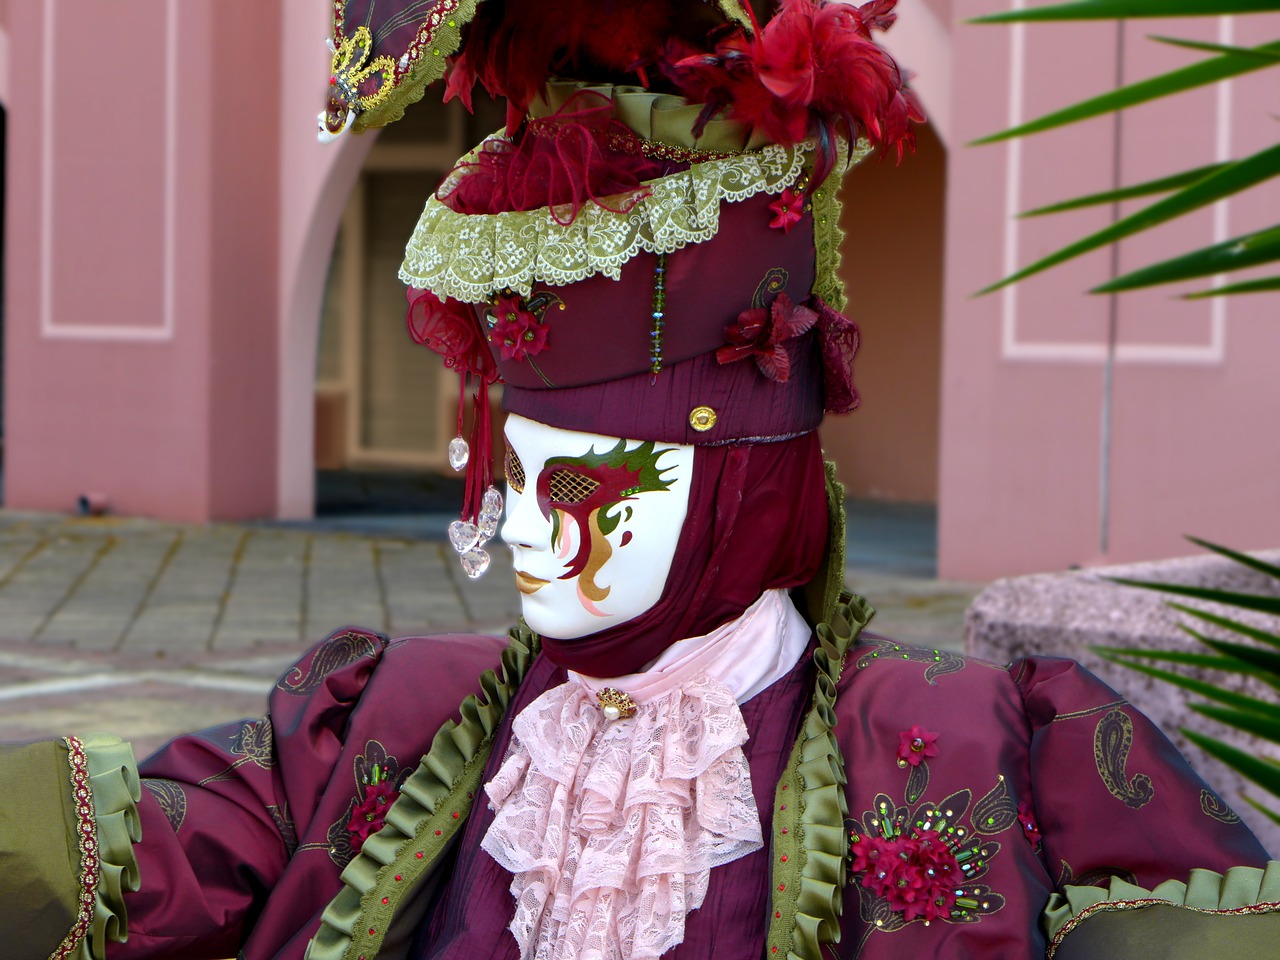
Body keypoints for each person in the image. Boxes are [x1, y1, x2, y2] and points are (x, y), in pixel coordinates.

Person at [5, 2, 1279, 959]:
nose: (532, 541)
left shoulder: (980, 745)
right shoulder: (377, 718)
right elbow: (153, 848)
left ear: (741, 485)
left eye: (594, 485)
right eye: (513, 473)